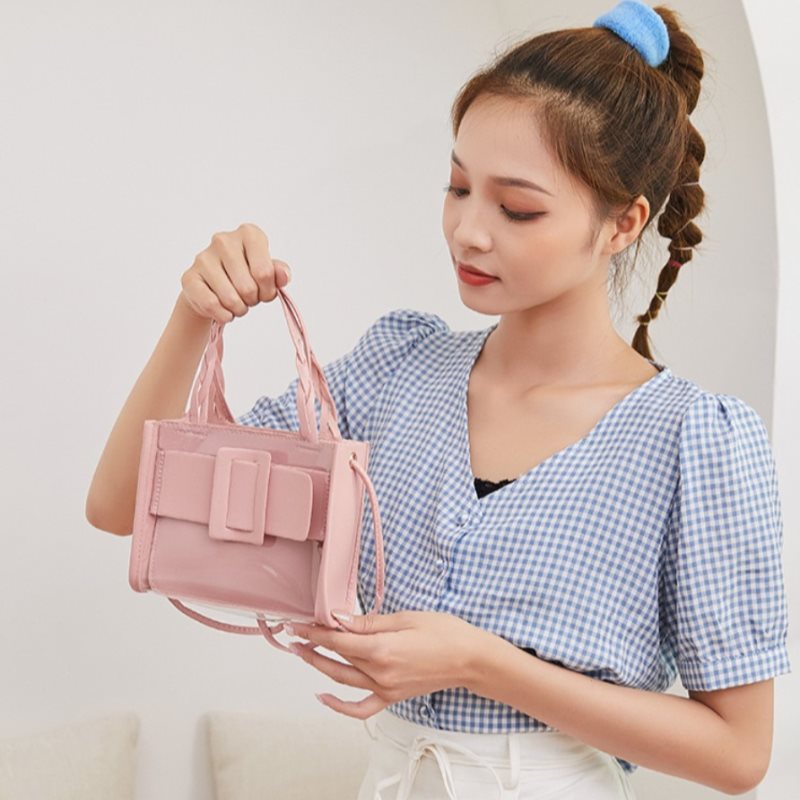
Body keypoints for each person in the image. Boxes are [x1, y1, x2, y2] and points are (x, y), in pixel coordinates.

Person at [85, 1, 790, 798]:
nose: (469, 232)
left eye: (517, 208)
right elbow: (123, 505)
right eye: (458, 187)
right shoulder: (398, 371)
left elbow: (739, 753)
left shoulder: (694, 439)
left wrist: (481, 663)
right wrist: (195, 315)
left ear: (624, 224)